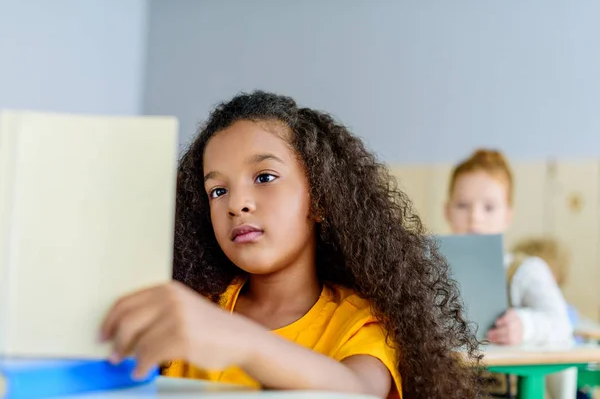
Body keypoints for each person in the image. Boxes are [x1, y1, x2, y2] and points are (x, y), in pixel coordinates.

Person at [100, 91, 482, 399]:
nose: (236, 203)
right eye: (218, 190)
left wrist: (243, 343)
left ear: (318, 201)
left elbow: (356, 391)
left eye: (264, 177)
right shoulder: (195, 308)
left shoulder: (358, 323)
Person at [445, 149, 575, 398]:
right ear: (447, 211)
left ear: (508, 215)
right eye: (463, 205)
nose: (474, 217)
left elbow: (562, 323)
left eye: (489, 207)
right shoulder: (432, 268)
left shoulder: (526, 271)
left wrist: (525, 325)